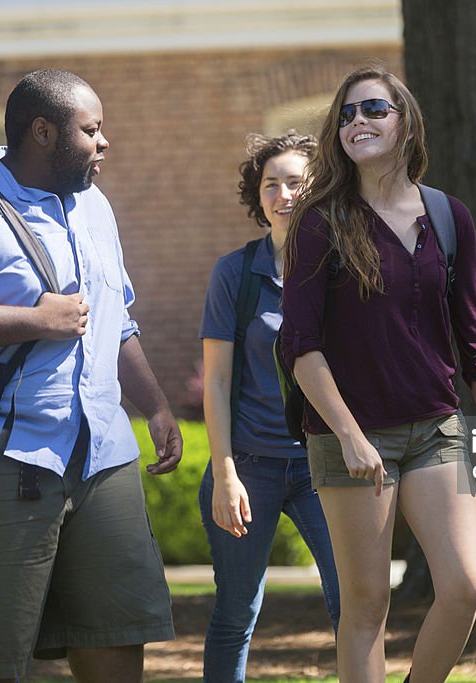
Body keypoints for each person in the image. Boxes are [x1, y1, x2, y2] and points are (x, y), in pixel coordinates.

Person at [0, 69, 181, 683]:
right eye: (91, 130)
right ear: (44, 133)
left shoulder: (96, 206)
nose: (104, 143)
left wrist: (154, 406)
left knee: (118, 638)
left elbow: (114, 316)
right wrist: (36, 320)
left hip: (103, 457)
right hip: (0, 456)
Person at [280, 66, 476, 682]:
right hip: (351, 435)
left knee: (465, 585)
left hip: (436, 426)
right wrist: (348, 435)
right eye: (347, 115)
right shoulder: (319, 221)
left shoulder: (450, 216)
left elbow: (472, 329)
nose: (358, 122)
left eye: (374, 109)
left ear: (405, 121)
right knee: (367, 606)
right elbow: (300, 345)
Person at [198, 131, 340, 682]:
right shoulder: (234, 273)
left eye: (296, 182)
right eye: (270, 184)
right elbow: (215, 381)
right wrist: (226, 474)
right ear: (257, 197)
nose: (283, 194)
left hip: (323, 466)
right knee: (237, 613)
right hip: (248, 467)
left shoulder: (341, 268)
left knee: (352, 603)